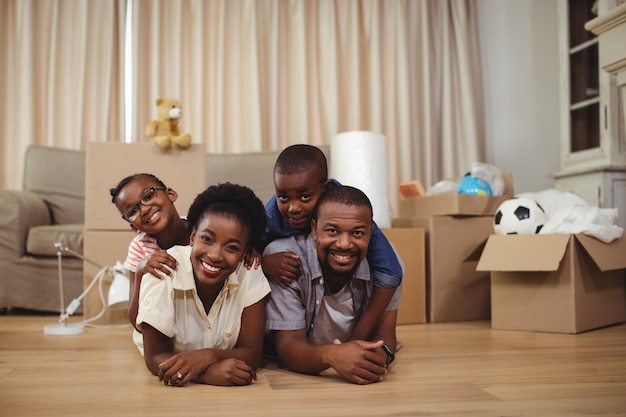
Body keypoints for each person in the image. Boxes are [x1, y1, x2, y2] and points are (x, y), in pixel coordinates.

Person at [261, 144, 403, 341]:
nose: (293, 208)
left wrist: (358, 337)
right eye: (283, 197)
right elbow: (241, 252)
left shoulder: (348, 211)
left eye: (304, 197)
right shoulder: (271, 216)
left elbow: (391, 271)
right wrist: (264, 263)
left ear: (325, 188)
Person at [135, 182, 271, 386]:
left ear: (245, 253)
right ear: (192, 237)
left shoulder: (249, 270)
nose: (215, 255)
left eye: (232, 247)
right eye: (207, 239)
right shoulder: (162, 269)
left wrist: (208, 356)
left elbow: (252, 352)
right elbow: (155, 357)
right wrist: (206, 374)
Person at [264, 185, 400, 385]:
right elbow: (289, 347)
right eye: (332, 231)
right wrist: (332, 356)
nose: (344, 243)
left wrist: (379, 356)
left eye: (357, 233)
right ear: (314, 230)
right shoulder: (285, 259)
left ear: (371, 233)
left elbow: (386, 334)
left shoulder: (386, 268)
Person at [110, 173, 190, 331]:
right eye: (133, 211)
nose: (144, 209)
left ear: (170, 194)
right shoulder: (140, 247)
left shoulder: (203, 228)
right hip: (170, 325)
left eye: (148, 196)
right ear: (133, 227)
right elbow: (136, 321)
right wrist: (140, 272)